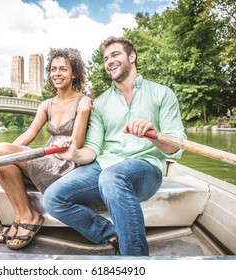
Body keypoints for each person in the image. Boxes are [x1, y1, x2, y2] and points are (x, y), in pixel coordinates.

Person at [43, 36, 186, 256]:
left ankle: (136, 261)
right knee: (53, 198)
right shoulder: (99, 104)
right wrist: (73, 154)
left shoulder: (162, 94)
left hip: (146, 168)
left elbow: (174, 147)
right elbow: (92, 150)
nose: (109, 61)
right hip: (104, 167)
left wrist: (154, 135)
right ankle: (110, 234)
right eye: (106, 58)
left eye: (115, 54)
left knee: (112, 176)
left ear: (132, 56)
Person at [0, 48, 92, 250]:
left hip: (66, 164)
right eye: (53, 69)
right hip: (48, 157)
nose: (57, 74)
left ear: (74, 73)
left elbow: (76, 144)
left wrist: (84, 111)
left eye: (63, 69)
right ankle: (21, 215)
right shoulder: (46, 104)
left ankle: (30, 217)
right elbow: (29, 134)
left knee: (0, 153)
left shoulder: (83, 102)